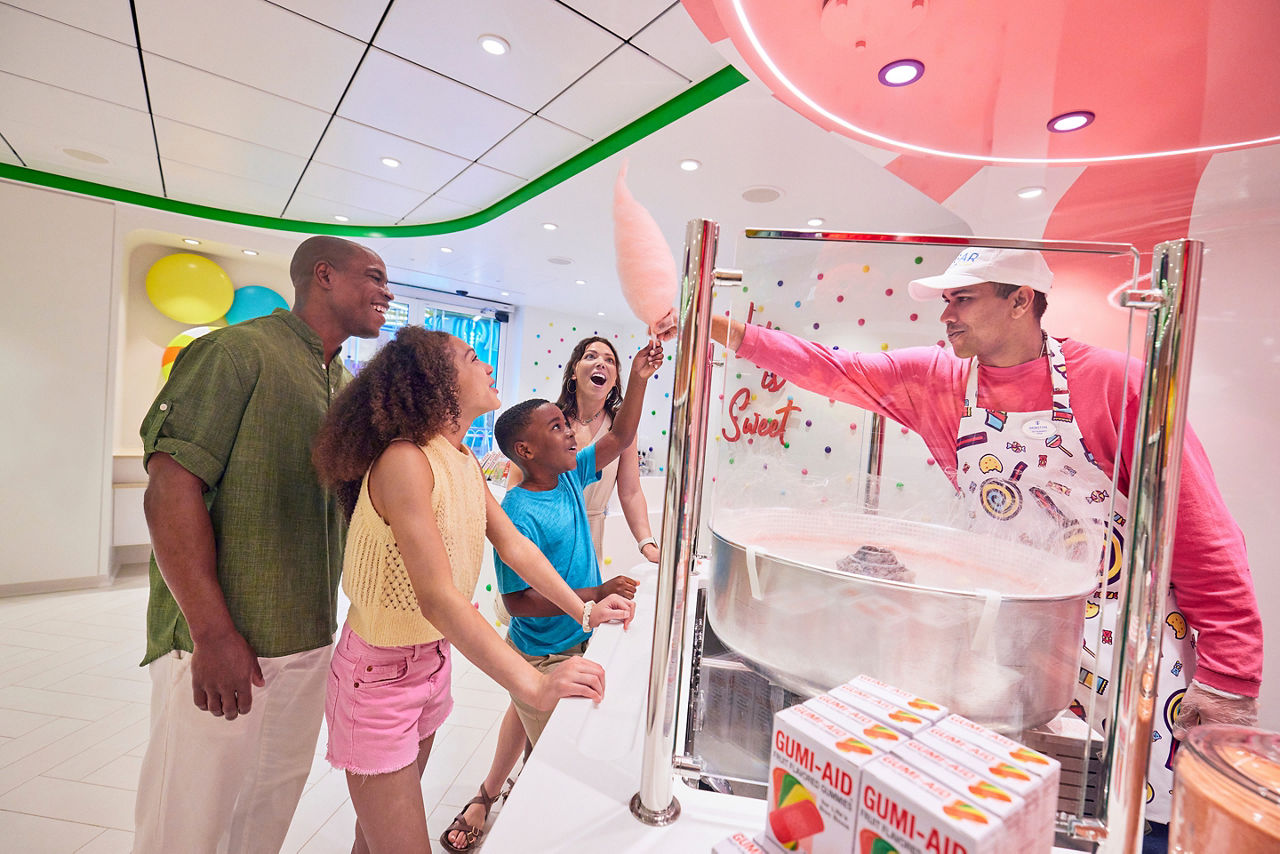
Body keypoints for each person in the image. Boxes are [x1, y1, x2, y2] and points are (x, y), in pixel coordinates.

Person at [703, 247, 1262, 842]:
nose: (946, 315)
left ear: (1021, 300)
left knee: (1128, 823)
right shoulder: (940, 380)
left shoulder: (1115, 383)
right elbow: (831, 368)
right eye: (946, 300)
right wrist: (714, 326)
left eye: (963, 298)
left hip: (1123, 652)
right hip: (1011, 646)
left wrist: (1231, 678)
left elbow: (1199, 533)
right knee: (1012, 818)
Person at [310, 326, 637, 854]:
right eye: (471, 357)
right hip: (378, 677)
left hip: (428, 663)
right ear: (437, 383)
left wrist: (585, 611)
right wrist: (532, 686)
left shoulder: (461, 460)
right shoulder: (405, 461)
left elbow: (516, 549)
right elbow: (438, 597)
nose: (487, 365)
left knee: (371, 840)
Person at [133, 236, 393, 853]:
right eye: (375, 276)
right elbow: (169, 489)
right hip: (223, 646)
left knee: (263, 818)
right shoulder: (235, 352)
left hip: (304, 641)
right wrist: (212, 634)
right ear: (323, 276)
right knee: (187, 827)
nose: (388, 293)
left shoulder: (341, 381)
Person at [442, 340, 662, 853]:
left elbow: (623, 435)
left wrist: (641, 375)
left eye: (568, 426)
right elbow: (518, 601)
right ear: (526, 451)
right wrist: (597, 593)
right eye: (559, 429)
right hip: (543, 653)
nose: (572, 433)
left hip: (576, 636)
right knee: (552, 756)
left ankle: (492, 795)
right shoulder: (520, 511)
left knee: (530, 725)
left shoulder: (570, 477)